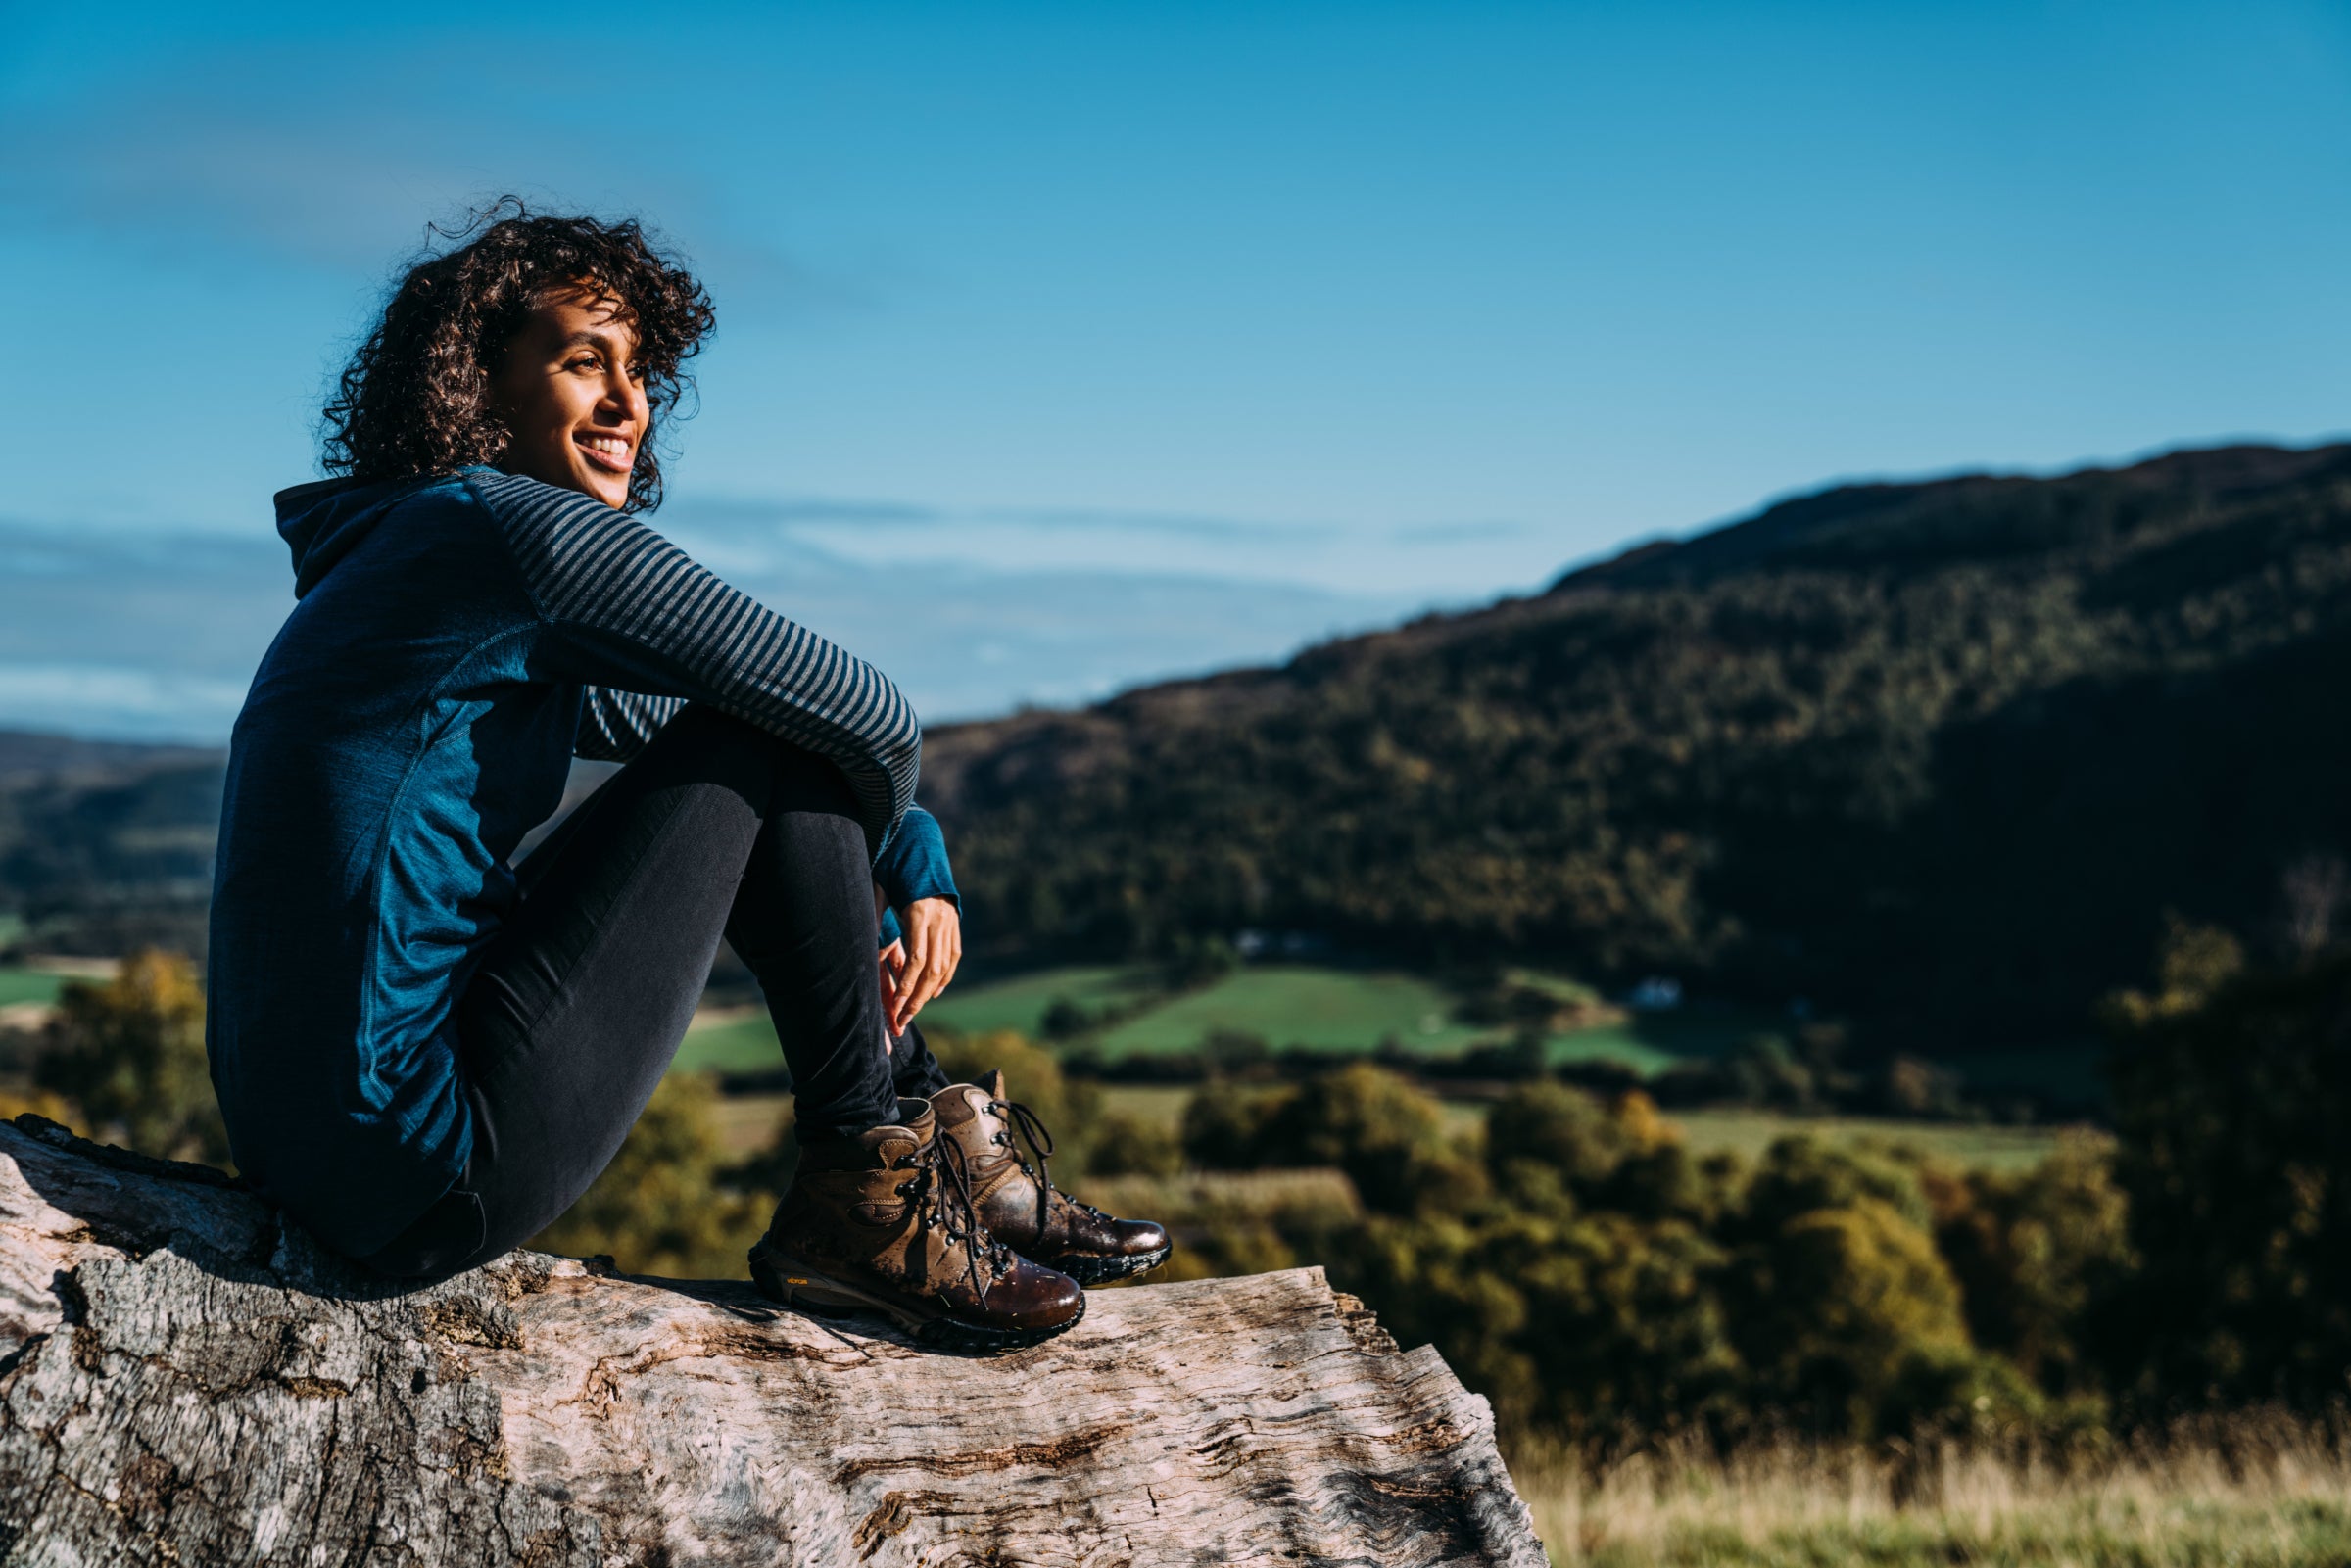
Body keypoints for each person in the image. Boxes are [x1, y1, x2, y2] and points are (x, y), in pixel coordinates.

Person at [205, 204, 1167, 1351]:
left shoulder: (419, 554)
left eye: (640, 370)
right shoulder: (502, 532)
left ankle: (924, 1143)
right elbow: (859, 708)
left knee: (755, 739)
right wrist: (922, 864)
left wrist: (908, 844)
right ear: (477, 383)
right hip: (414, 1154)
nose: (629, 404)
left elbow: (705, 720)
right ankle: (869, 1173)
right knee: (761, 737)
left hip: (335, 1144)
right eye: (582, 362)